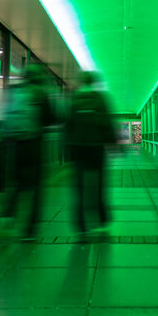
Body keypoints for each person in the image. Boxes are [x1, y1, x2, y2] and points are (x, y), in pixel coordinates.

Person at [2, 63, 53, 238]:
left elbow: (4, 115)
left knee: (17, 182)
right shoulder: (40, 93)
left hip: (14, 144)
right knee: (36, 186)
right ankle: (30, 229)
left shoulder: (13, 91)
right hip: (33, 145)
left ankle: (7, 215)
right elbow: (50, 118)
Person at [66, 71, 115, 233]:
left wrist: (68, 147)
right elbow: (107, 122)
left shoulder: (74, 99)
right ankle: (101, 217)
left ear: (81, 82)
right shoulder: (100, 98)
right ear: (93, 82)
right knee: (99, 182)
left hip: (78, 148)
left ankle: (80, 223)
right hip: (96, 147)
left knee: (79, 186)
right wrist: (113, 144)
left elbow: (67, 125)